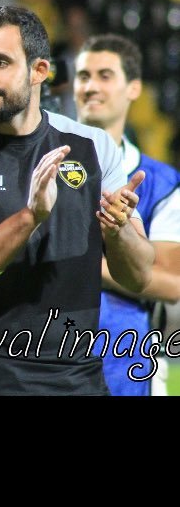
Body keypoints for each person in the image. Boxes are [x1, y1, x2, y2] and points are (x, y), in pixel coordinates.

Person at [0, 4, 155, 396]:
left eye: (0, 62)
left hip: (83, 383)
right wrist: (30, 217)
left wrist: (120, 231)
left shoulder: (94, 149)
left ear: (39, 71)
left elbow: (139, 276)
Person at [74, 33, 180, 396]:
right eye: (83, 76)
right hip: (43, 355)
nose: (90, 87)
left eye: (105, 75)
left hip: (128, 365)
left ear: (134, 88)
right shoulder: (44, 164)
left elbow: (172, 282)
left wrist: (75, 260)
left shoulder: (161, 183)